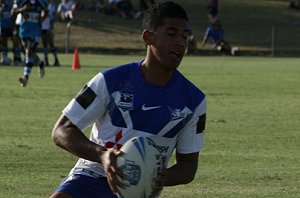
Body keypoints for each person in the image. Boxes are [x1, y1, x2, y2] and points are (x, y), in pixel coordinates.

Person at [50, 1, 206, 198]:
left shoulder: (194, 100)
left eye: (185, 36)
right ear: (148, 37)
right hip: (91, 176)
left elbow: (188, 166)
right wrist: (104, 155)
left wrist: (157, 177)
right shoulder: (110, 80)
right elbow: (61, 131)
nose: (180, 43)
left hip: (137, 192)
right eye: (172, 34)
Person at [12, 0, 48, 87]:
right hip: (24, 31)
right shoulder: (22, 1)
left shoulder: (41, 2)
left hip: (36, 32)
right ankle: (40, 63)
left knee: (29, 52)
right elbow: (13, 12)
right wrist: (22, 9)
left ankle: (25, 77)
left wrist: (42, 18)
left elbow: (46, 11)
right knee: (29, 53)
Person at [41, 0, 60, 66]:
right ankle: (46, 60)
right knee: (44, 44)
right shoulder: (42, 3)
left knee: (51, 43)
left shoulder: (52, 5)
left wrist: (51, 26)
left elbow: (54, 16)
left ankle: (56, 59)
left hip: (49, 26)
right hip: (43, 26)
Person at [0, 0, 14, 65]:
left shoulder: (10, 2)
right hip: (2, 25)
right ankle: (5, 58)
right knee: (3, 41)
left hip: (10, 25)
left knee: (15, 40)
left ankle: (17, 58)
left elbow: (14, 12)